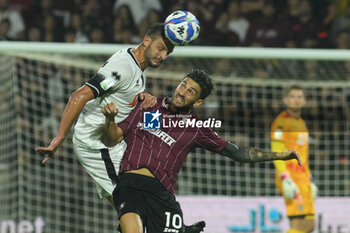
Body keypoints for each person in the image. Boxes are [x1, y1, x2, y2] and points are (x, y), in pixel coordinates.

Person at [35, 22, 204, 233]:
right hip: (97, 144)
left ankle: (164, 225)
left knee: (133, 194)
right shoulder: (122, 68)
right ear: (146, 40)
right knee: (132, 195)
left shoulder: (137, 67)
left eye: (167, 52)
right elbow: (79, 95)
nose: (162, 55)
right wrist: (59, 137)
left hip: (112, 139)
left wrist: (142, 100)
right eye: (160, 48)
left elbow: (124, 97)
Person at [101, 69, 302, 233]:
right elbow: (112, 139)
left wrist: (279, 155)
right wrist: (109, 119)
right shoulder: (149, 105)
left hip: (162, 194)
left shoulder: (197, 128)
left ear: (198, 102)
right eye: (183, 85)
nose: (182, 92)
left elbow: (236, 152)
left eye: (190, 92)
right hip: (130, 184)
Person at [271, 85, 317, 233]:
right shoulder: (281, 122)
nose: (296, 100)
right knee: (298, 225)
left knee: (309, 225)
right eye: (292, 96)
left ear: (304, 101)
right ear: (285, 100)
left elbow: (303, 154)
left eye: (299, 97)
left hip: (303, 177)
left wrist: (309, 178)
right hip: (290, 176)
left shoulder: (302, 122)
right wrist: (285, 177)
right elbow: (276, 150)